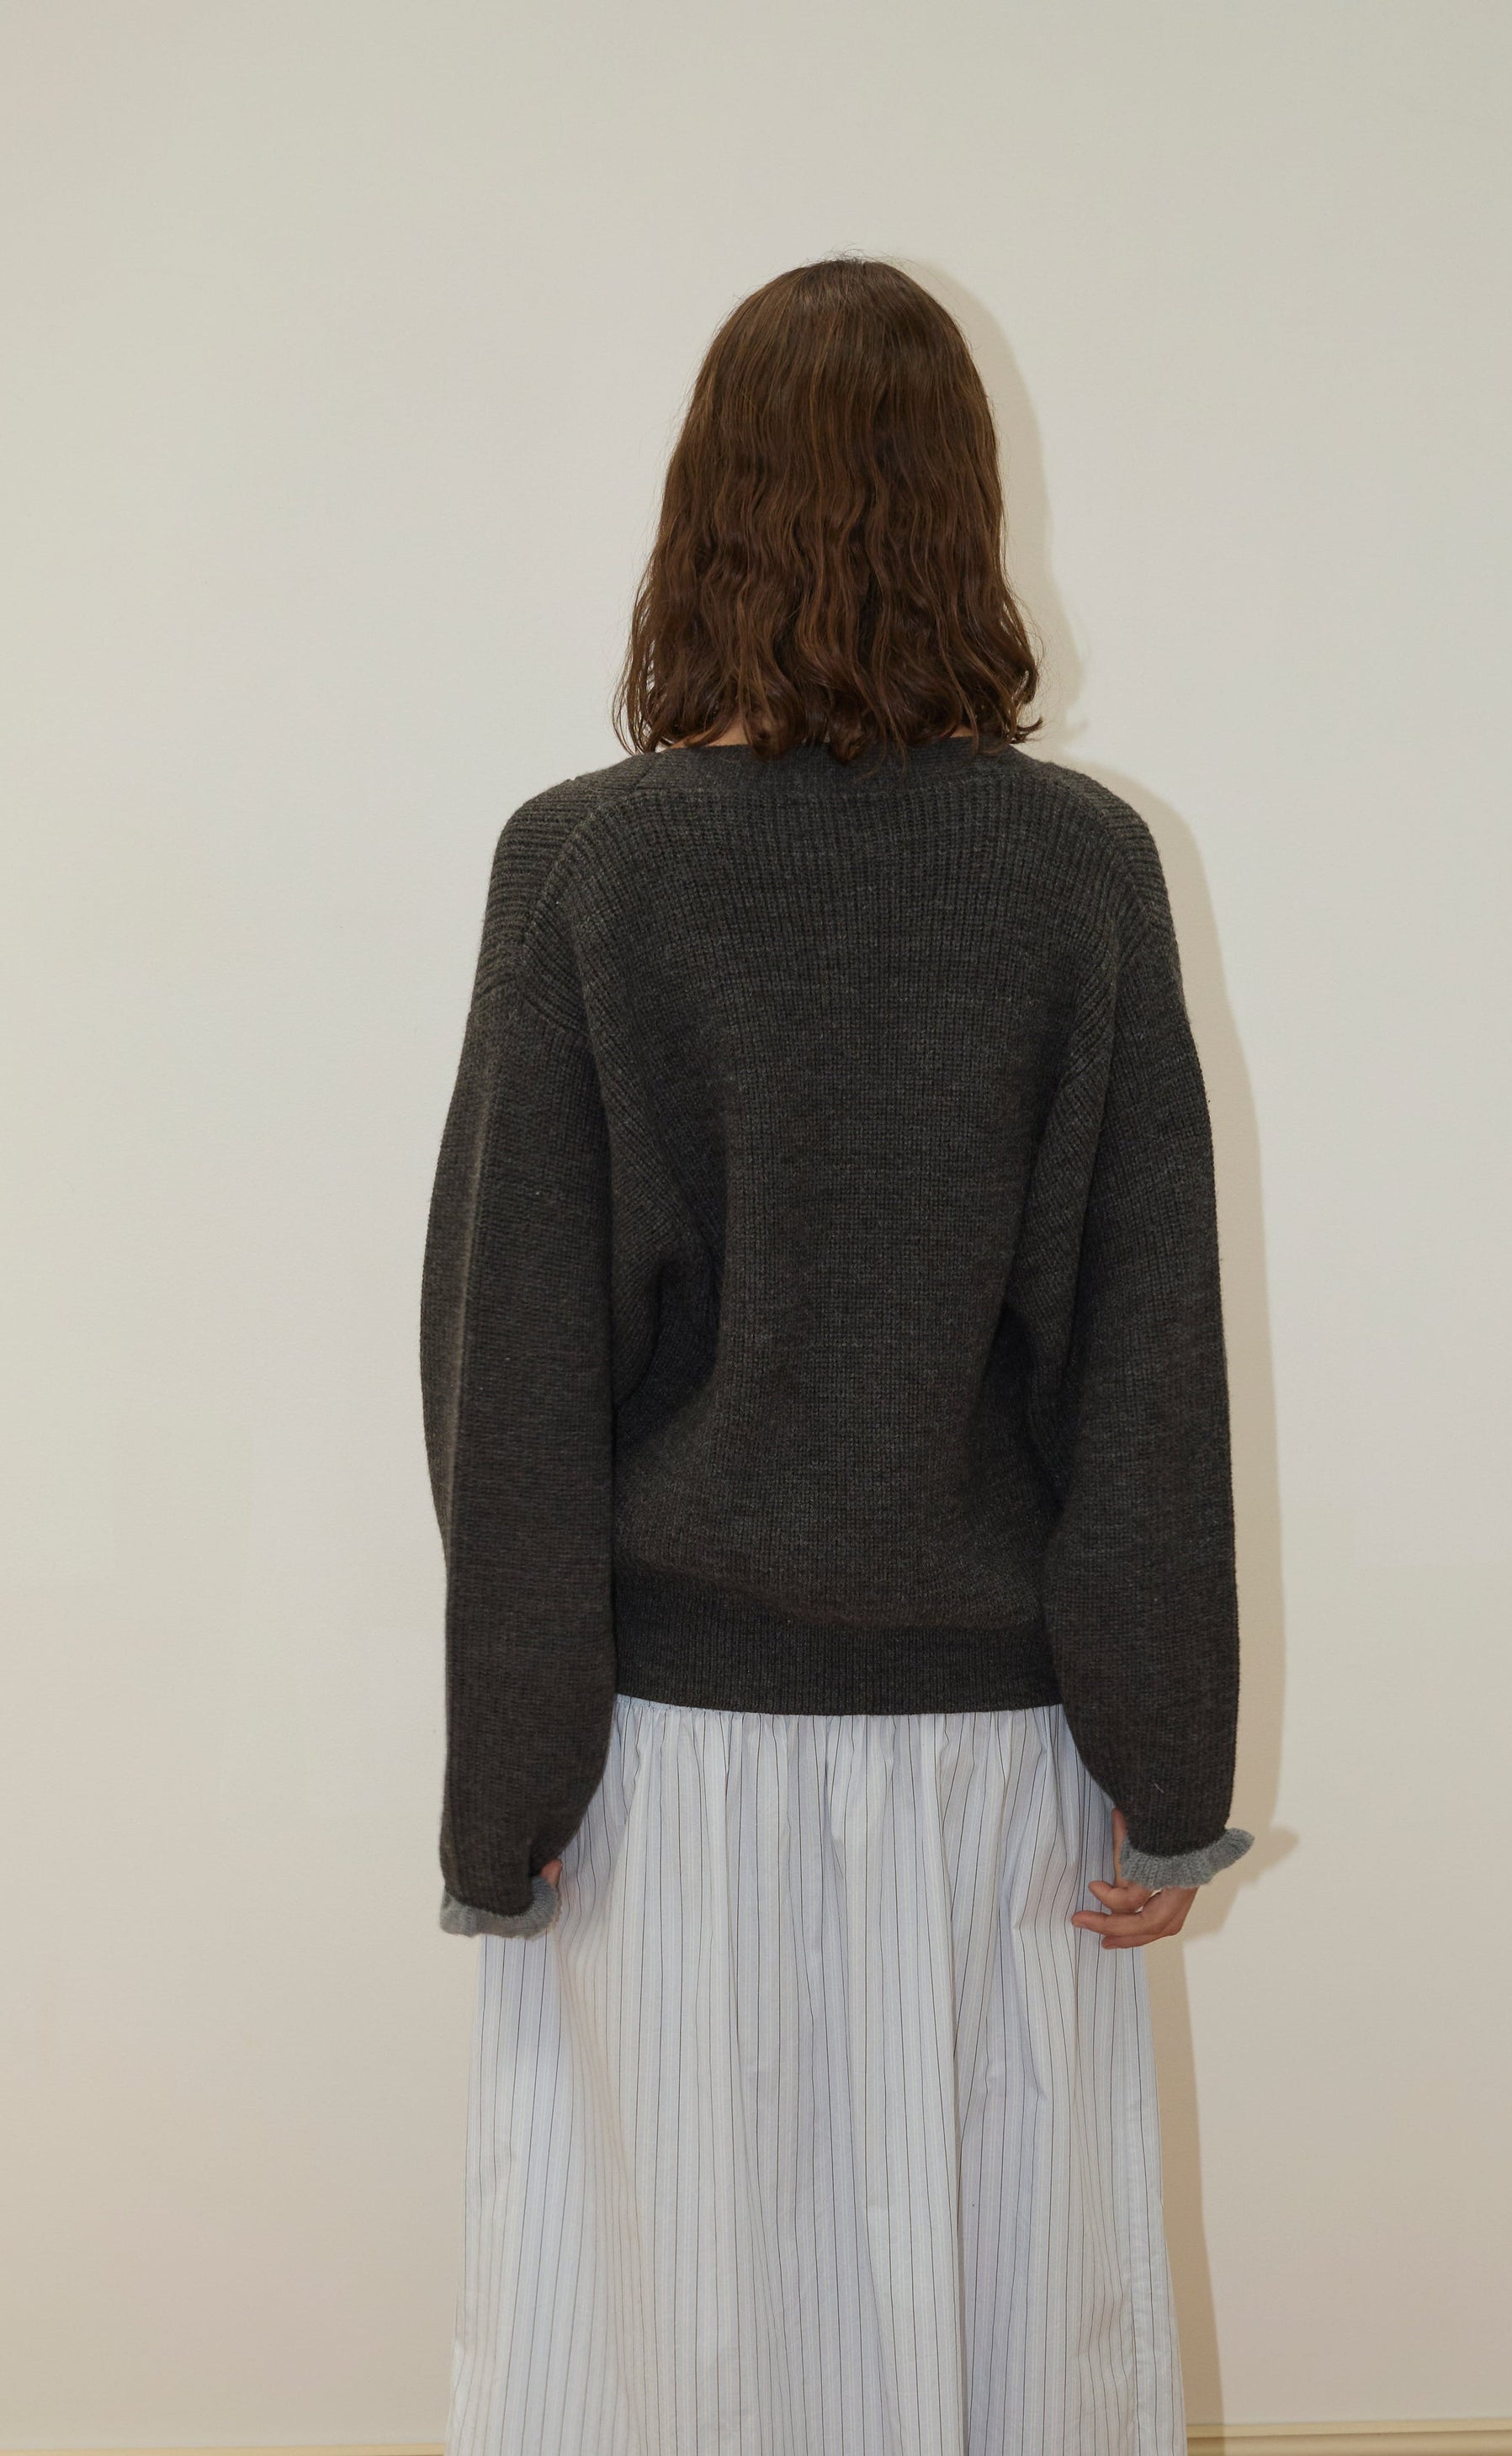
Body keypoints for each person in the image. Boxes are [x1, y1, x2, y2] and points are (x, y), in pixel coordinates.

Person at [420, 252, 1253, 2456]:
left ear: (701, 510)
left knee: (667, 2339)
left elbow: (512, 1375)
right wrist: (1166, 1783)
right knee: (998, 2341)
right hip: (999, 1769)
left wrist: (506, 1802)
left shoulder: (586, 870)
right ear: (958, 513)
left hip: (656, 1763)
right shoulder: (1075, 872)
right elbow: (1139, 1372)